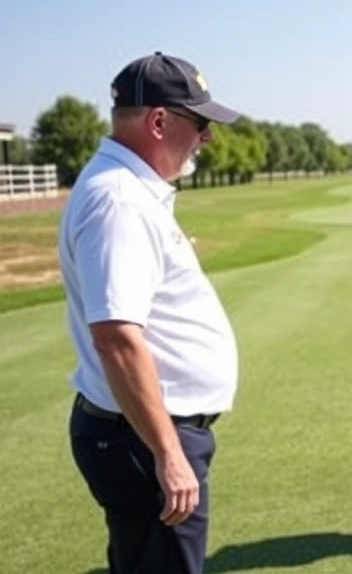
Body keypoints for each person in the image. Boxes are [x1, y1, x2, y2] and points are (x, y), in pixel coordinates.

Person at [58, 51, 242, 573]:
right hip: (143, 436)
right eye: (200, 122)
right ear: (159, 120)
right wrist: (167, 453)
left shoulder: (129, 192)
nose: (207, 137)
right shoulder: (120, 200)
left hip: (141, 429)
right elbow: (116, 336)